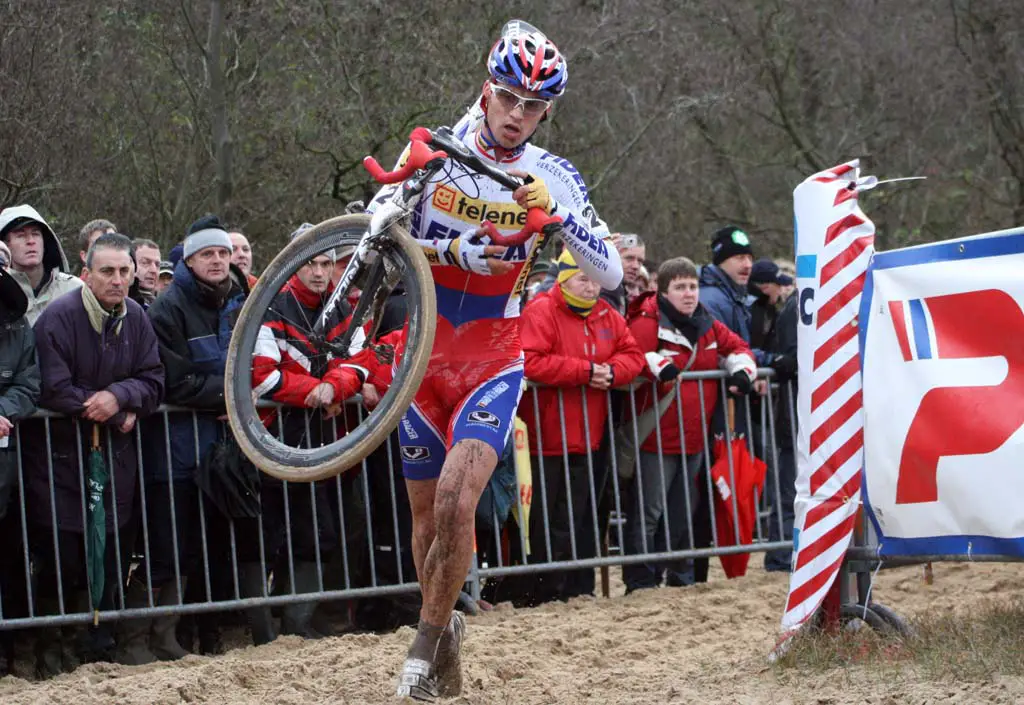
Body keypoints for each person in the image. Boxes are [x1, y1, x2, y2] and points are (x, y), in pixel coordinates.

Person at [368, 20, 622, 701]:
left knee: (458, 502)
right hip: (422, 354)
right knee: (427, 521)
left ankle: (421, 649)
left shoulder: (553, 174)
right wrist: (450, 248)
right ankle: (446, 633)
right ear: (487, 92)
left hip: (493, 354)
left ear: (548, 111)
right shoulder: (436, 150)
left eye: (533, 106)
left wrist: (560, 220)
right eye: (508, 98)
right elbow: (378, 220)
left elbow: (616, 269)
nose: (517, 115)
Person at [24, 232, 164, 677]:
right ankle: (53, 646)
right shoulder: (58, 319)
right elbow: (51, 386)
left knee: (111, 554)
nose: (118, 280)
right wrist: (105, 408)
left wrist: (121, 397)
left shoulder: (138, 317)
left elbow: (154, 378)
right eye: (107, 271)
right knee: (63, 557)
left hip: (116, 464)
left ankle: (97, 643)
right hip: (61, 463)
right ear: (86, 275)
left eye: (124, 271)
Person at [250, 229, 377, 643]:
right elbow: (262, 376)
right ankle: (270, 622)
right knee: (282, 530)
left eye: (326, 264)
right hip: (281, 435)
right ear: (294, 262)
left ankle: (304, 619)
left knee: (326, 528)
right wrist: (313, 392)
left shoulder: (342, 306)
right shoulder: (270, 306)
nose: (320, 272)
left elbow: (361, 360)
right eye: (312, 264)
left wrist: (335, 387)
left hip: (331, 432)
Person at [135, 215, 251, 663]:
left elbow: (254, 364)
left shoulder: (242, 299)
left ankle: (209, 632)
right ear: (189, 257)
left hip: (225, 447)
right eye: (208, 254)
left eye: (223, 253)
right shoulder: (168, 308)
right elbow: (174, 382)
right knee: (172, 547)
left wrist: (241, 396)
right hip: (178, 449)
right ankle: (150, 635)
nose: (219, 261)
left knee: (216, 546)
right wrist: (232, 395)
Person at [624, 257, 756, 591]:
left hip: (694, 438)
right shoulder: (646, 320)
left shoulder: (707, 323)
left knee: (684, 513)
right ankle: (641, 580)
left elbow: (737, 347)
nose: (688, 294)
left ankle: (680, 578)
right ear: (663, 291)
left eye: (693, 286)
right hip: (656, 437)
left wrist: (741, 369)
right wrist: (655, 363)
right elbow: (629, 354)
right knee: (649, 513)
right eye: (680, 287)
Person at [518, 250, 643, 603]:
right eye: (582, 279)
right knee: (544, 518)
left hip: (590, 434)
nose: (591, 288)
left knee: (578, 515)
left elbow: (632, 354)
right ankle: (540, 590)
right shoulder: (541, 311)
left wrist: (614, 372)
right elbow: (529, 360)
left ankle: (574, 586)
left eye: (594, 281)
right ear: (563, 279)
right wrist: (585, 371)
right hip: (545, 435)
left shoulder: (607, 314)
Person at [0, 241, 40, 676]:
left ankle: (12, 648)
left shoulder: (16, 324)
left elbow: (30, 383)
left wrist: (4, 411)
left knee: (12, 555)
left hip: (8, 466)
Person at [0, 205, 83, 326]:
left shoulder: (75, 290)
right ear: (6, 245)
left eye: (36, 234)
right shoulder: (2, 294)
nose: (31, 241)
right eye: (21, 235)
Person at [129, 238, 162, 308]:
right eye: (145, 263)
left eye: (157, 265)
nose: (154, 270)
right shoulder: (123, 305)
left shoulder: (163, 305)